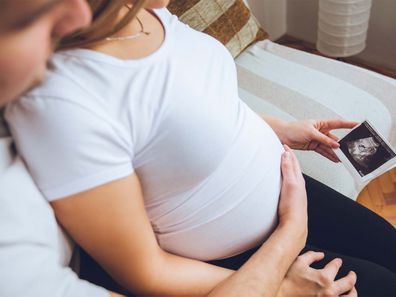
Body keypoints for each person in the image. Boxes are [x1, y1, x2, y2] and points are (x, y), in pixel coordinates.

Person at [2, 1, 396, 297]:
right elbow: (144, 271)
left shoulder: (144, 12)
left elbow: (193, 100)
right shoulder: (58, 99)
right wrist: (278, 283)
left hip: (288, 184)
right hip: (233, 258)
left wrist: (279, 128)